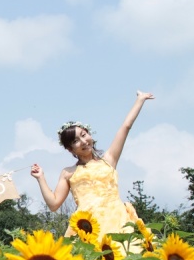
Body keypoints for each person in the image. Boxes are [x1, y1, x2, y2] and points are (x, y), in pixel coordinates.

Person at [30, 91, 154, 245]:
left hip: (117, 220)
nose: (83, 141)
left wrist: (140, 100)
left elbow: (126, 127)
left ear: (90, 134)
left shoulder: (109, 160)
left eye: (84, 135)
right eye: (76, 141)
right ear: (70, 149)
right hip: (87, 225)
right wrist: (40, 178)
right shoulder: (68, 173)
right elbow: (54, 204)